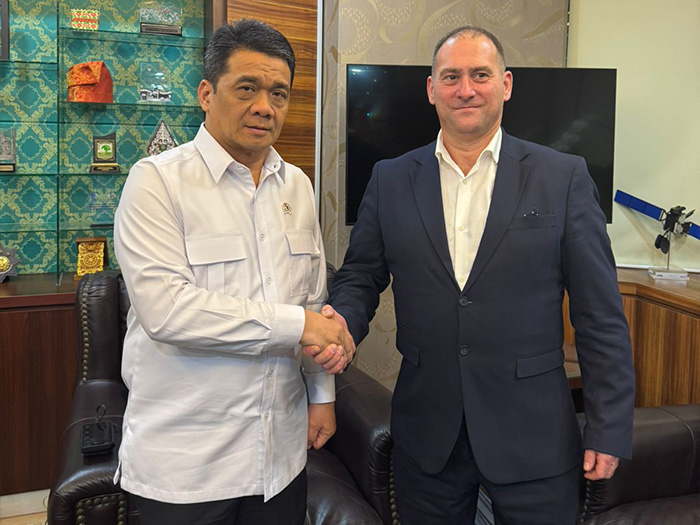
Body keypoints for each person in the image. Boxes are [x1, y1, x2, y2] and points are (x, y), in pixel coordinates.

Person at [307, 26, 635, 524]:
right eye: (451, 76)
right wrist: (344, 326)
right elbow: (361, 276)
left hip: (534, 437)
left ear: (506, 84)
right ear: (431, 89)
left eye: (480, 75)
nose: (466, 89)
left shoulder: (562, 177)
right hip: (428, 435)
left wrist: (609, 428)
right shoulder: (390, 178)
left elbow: (600, 315)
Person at [113, 19, 353, 525]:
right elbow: (168, 311)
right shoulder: (156, 182)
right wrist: (301, 325)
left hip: (280, 458)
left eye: (279, 93)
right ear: (207, 93)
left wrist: (322, 396)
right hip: (187, 467)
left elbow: (313, 300)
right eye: (247, 88)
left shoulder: (298, 186)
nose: (265, 106)